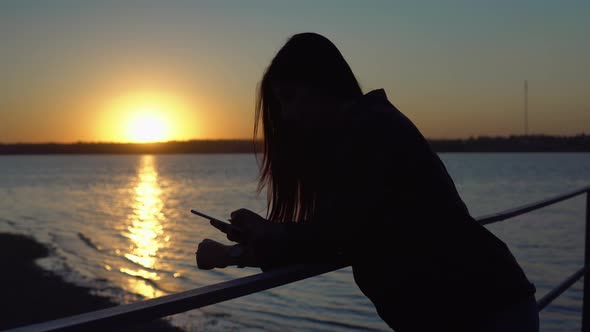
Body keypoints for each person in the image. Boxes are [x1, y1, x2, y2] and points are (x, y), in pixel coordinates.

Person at [196, 32, 539, 332]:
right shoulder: (365, 129)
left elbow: (335, 235)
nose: (286, 115)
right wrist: (238, 252)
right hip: (478, 305)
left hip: (479, 311)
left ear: (323, 85)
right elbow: (342, 235)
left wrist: (260, 239)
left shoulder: (368, 131)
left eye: (292, 98)